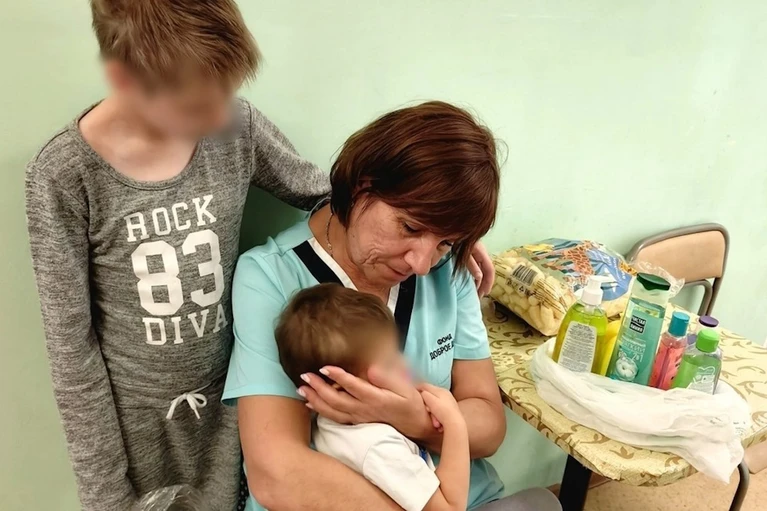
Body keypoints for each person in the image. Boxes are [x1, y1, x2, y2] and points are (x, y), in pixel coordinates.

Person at [24, 1, 332, 509]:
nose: (218, 118)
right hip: (138, 430)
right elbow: (70, 347)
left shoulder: (236, 127)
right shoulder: (64, 175)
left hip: (235, 398)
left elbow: (326, 195)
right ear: (124, 79)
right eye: (195, 108)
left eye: (226, 96)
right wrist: (106, 494)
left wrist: (445, 226)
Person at [224, 101, 562, 511]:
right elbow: (278, 474)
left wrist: (413, 418)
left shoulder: (448, 269)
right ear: (362, 185)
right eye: (410, 227)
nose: (421, 265)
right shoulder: (271, 276)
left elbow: (489, 425)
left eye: (445, 242)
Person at [276, 283, 471, 511]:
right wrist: (454, 424)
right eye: (389, 363)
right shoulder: (379, 448)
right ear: (342, 388)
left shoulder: (331, 428)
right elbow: (450, 508)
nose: (404, 365)